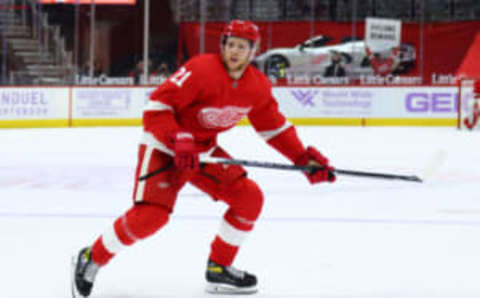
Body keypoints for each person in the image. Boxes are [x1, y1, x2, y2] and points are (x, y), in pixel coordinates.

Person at [71, 19, 336, 297]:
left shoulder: (256, 86)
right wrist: (178, 138)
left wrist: (303, 159)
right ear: (222, 46)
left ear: (252, 51)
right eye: (230, 44)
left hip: (203, 153)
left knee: (249, 198)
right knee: (152, 216)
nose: (234, 51)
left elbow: (273, 128)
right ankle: (92, 257)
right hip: (164, 146)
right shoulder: (200, 70)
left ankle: (219, 267)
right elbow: (156, 108)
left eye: (242, 46)